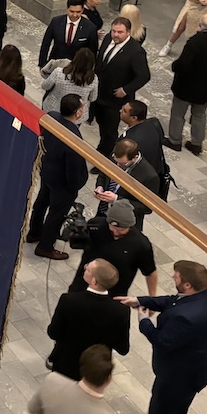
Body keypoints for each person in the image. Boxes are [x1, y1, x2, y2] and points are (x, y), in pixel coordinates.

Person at [117, 261, 207, 414]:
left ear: (188, 284)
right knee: (179, 407)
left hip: (179, 373)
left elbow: (162, 341)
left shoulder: (188, 317)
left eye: (177, 277)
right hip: (197, 368)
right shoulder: (206, 295)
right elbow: (173, 301)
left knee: (161, 409)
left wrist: (143, 320)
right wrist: (139, 300)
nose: (173, 277)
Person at [28, 95, 90, 260]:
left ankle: (34, 232)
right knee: (56, 213)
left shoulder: (52, 117)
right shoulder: (74, 139)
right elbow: (74, 169)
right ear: (78, 113)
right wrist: (74, 186)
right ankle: (45, 246)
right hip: (63, 182)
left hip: (48, 171)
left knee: (42, 203)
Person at [46, 260, 131, 380]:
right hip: (94, 369)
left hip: (66, 363)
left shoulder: (69, 300)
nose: (84, 268)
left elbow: (53, 332)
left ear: (94, 281)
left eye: (88, 269)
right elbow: (123, 348)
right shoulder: (121, 311)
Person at [166, 13, 207, 155]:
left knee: (178, 114)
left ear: (201, 25)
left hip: (186, 86)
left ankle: (174, 141)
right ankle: (196, 143)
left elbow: (183, 64)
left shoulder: (195, 41)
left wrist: (174, 66)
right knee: (199, 114)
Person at [68, 200, 158, 297]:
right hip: (83, 286)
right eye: (112, 228)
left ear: (130, 226)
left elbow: (151, 272)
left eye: (121, 230)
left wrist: (152, 299)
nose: (115, 232)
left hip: (114, 295)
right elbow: (79, 244)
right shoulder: (96, 225)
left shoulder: (140, 244)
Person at [93, 17, 150, 156]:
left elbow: (144, 76)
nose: (116, 35)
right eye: (114, 31)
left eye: (120, 32)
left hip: (115, 99)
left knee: (110, 130)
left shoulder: (136, 51)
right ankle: (102, 147)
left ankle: (105, 157)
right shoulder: (108, 39)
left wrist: (125, 90)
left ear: (128, 32)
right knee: (100, 122)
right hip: (99, 93)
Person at [93, 138, 159, 232]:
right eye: (117, 162)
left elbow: (147, 207)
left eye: (123, 164)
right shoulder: (116, 156)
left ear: (135, 157)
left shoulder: (149, 176)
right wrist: (100, 187)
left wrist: (116, 199)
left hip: (124, 223)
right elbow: (104, 174)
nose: (118, 165)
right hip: (104, 211)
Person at [40, 48, 98, 123]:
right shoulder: (93, 79)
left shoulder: (59, 72)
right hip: (75, 117)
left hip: (53, 110)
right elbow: (93, 98)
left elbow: (45, 86)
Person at [38, 0, 97, 67]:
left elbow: (92, 52)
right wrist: (42, 64)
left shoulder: (90, 27)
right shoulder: (56, 22)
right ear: (67, 9)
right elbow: (46, 43)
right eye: (72, 11)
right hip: (55, 64)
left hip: (76, 68)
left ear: (83, 10)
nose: (75, 15)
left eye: (78, 12)